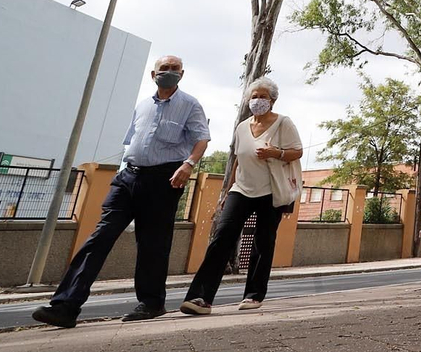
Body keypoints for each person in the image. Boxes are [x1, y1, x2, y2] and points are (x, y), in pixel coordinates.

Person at [32, 55, 211, 328]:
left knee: (153, 244)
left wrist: (188, 164)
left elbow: (202, 139)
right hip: (128, 177)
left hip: (164, 180)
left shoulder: (190, 105)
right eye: (164, 68)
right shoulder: (142, 106)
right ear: (154, 74)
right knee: (100, 236)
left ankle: (151, 302)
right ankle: (66, 306)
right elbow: (132, 143)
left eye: (175, 69)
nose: (169, 72)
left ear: (182, 74)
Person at [180, 76, 302, 314]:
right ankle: (200, 298)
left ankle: (254, 295)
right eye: (254, 96)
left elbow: (296, 152)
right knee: (222, 237)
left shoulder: (283, 123)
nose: (257, 101)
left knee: (263, 241)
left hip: (270, 191)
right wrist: (227, 192)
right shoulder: (242, 127)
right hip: (241, 190)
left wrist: (275, 152)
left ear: (273, 100)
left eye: (263, 96)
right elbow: (238, 160)